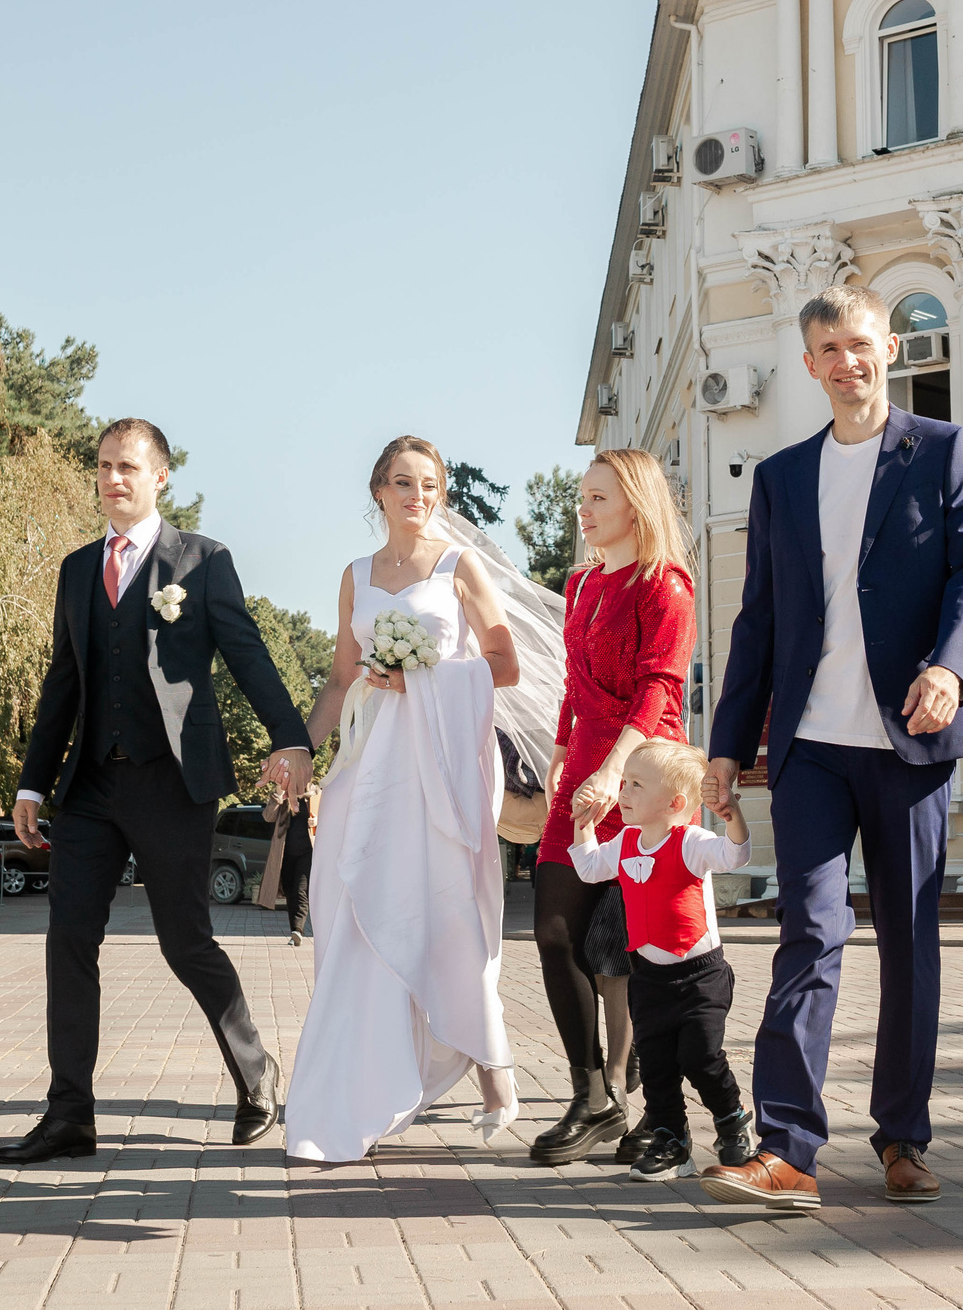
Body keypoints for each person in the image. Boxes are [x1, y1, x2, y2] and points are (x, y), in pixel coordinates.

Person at [702, 283, 963, 1214]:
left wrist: (950, 668)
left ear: (890, 348)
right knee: (811, 931)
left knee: (909, 940)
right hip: (811, 746)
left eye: (860, 342)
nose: (846, 361)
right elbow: (756, 621)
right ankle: (788, 1148)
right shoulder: (783, 476)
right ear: (808, 365)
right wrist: (726, 747)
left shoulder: (945, 450)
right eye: (828, 348)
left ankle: (903, 1136)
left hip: (907, 739)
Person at [0, 417, 317, 1166]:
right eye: (104, 466)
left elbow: (246, 652)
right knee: (69, 937)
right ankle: (69, 1111)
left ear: (160, 476)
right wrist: (33, 780)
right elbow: (63, 683)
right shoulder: (77, 569)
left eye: (128, 467)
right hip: (91, 786)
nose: (113, 479)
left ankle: (255, 1071)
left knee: (185, 940)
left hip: (174, 781)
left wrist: (290, 735)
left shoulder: (201, 561)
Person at [281, 436, 540, 1162]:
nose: (417, 495)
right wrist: (302, 752)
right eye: (402, 482)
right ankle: (353, 1089)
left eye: (429, 483)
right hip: (369, 766)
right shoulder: (356, 575)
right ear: (379, 491)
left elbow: (504, 663)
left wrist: (421, 676)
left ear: (441, 493)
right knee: (354, 907)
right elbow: (338, 680)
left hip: (442, 765)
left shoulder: (461, 566)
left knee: (448, 906)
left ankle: (494, 1069)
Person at [531, 449, 695, 1167]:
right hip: (584, 772)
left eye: (598, 497)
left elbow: (659, 687)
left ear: (635, 501)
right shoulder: (580, 585)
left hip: (643, 774)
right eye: (581, 497)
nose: (584, 509)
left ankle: (654, 1105)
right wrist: (563, 755)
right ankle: (592, 1093)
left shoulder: (667, 584)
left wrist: (613, 769)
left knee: (638, 948)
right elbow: (573, 682)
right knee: (554, 929)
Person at [566, 740, 754, 1183]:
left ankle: (732, 1123)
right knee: (655, 1064)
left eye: (636, 784)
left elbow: (734, 855)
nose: (624, 792)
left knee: (701, 1056)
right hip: (648, 977)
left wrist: (734, 820)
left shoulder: (691, 842)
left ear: (674, 803)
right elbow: (590, 868)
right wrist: (583, 824)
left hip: (699, 977)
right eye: (625, 782)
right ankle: (671, 1140)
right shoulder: (625, 841)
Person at [258, 787, 313, 945]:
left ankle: (298, 929)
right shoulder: (283, 798)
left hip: (307, 852)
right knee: (290, 891)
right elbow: (268, 817)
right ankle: (294, 931)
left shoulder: (314, 797)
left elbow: (332, 819)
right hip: (285, 854)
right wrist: (278, 795)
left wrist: (317, 822)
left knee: (300, 890)